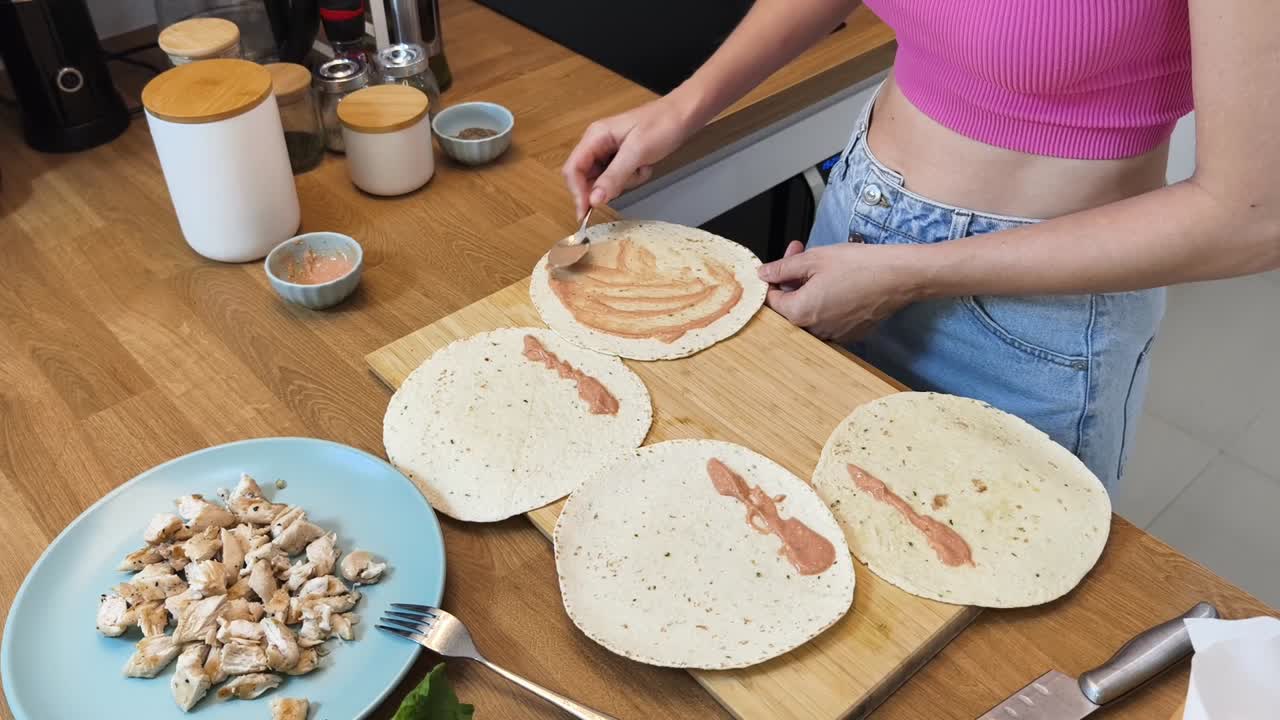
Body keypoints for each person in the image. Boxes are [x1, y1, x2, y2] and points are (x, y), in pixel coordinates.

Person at [561, 0, 1280, 487]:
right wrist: (684, 106)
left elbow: (1251, 219)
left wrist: (911, 274)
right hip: (854, 222)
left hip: (1029, 318)